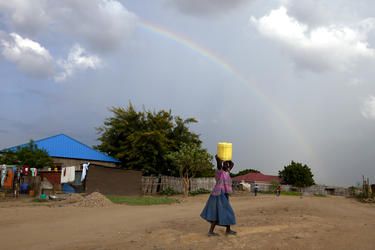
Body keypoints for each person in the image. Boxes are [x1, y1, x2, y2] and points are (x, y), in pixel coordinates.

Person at [200, 155, 237, 236]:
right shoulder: (219, 172)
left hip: (225, 194)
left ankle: (227, 230)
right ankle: (212, 232)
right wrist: (218, 159)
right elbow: (219, 165)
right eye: (225, 164)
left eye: (227, 165)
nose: (227, 166)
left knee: (224, 212)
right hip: (218, 195)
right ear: (222, 165)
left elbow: (232, 164)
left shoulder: (227, 172)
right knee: (220, 212)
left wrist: (228, 159)